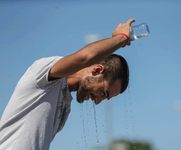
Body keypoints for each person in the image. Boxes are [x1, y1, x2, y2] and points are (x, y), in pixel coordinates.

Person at [0, 18, 135, 150]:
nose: (98, 101)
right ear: (97, 70)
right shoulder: (43, 75)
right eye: (104, 93)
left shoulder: (66, 103)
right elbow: (85, 58)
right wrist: (122, 37)